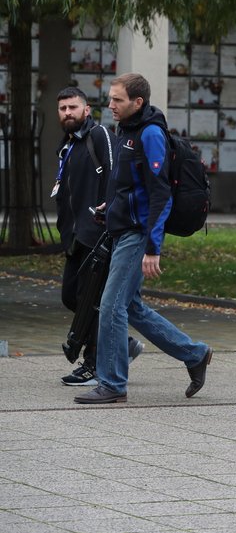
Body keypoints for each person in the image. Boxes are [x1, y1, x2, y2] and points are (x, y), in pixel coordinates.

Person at [74, 73, 212, 404]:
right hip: (123, 227)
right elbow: (130, 185)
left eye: (117, 100)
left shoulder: (150, 133)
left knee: (111, 306)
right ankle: (195, 354)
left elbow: (159, 193)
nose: (110, 105)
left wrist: (153, 247)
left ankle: (112, 383)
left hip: (138, 234)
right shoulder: (128, 130)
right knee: (131, 306)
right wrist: (112, 205)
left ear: (137, 102)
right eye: (109, 99)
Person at [52, 87, 143, 386]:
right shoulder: (67, 146)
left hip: (98, 235)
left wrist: (110, 221)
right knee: (72, 296)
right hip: (75, 238)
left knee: (92, 300)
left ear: (87, 110)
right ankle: (121, 345)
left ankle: (94, 364)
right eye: (63, 108)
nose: (68, 113)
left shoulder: (99, 135)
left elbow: (116, 176)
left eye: (73, 107)